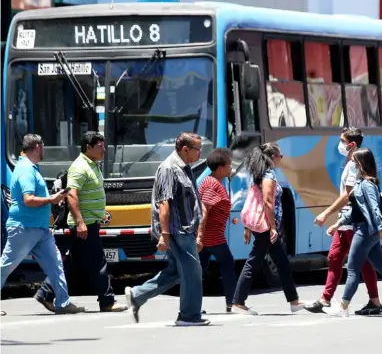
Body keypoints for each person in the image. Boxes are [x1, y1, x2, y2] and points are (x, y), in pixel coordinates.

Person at [35, 132, 127, 313]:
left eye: (104, 145)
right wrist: (80, 222)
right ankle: (107, 301)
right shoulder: (79, 167)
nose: (104, 149)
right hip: (85, 223)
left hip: (89, 222)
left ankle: (46, 292)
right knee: (98, 262)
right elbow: (72, 194)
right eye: (100, 146)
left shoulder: (93, 165)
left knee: (73, 263)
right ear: (88, 147)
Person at [124, 132, 209, 326]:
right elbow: (164, 204)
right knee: (193, 270)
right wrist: (164, 235)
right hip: (176, 230)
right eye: (198, 149)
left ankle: (136, 296)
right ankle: (189, 316)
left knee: (177, 272)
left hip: (183, 228)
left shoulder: (185, 166)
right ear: (185, 150)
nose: (200, 153)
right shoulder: (169, 168)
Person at [0, 134, 85, 314]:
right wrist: (52, 199)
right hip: (24, 228)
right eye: (43, 146)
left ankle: (63, 302)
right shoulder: (26, 170)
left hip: (39, 229)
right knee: (6, 266)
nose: (44, 149)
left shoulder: (31, 168)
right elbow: (28, 200)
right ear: (38, 147)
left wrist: (53, 200)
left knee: (55, 264)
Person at [305, 127, 382, 316]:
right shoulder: (351, 163)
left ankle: (374, 301)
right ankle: (325, 299)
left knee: (361, 262)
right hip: (347, 220)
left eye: (342, 140)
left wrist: (326, 213)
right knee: (336, 257)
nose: (339, 144)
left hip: (352, 220)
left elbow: (347, 195)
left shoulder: (353, 165)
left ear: (352, 144)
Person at [324, 148, 382, 317]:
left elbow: (373, 209)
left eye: (355, 163)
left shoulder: (367, 185)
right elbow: (356, 211)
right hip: (366, 230)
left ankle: (343, 308)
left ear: (362, 164)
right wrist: (338, 223)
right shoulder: (360, 184)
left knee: (352, 268)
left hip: (364, 231)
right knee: (381, 266)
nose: (353, 166)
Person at [232, 143, 303, 315]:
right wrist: (272, 228)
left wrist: (248, 227)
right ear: (272, 157)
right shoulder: (268, 175)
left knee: (282, 262)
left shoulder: (258, 175)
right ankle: (238, 302)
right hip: (265, 225)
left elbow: (251, 201)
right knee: (254, 261)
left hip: (261, 224)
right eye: (280, 155)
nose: (281, 158)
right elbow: (267, 203)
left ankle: (294, 301)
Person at [197, 148, 237, 313]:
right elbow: (204, 211)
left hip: (210, 234)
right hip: (211, 235)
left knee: (198, 269)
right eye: (229, 165)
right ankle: (232, 302)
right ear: (220, 168)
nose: (231, 168)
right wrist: (200, 235)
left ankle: (194, 305)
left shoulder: (211, 181)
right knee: (228, 263)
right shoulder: (212, 184)